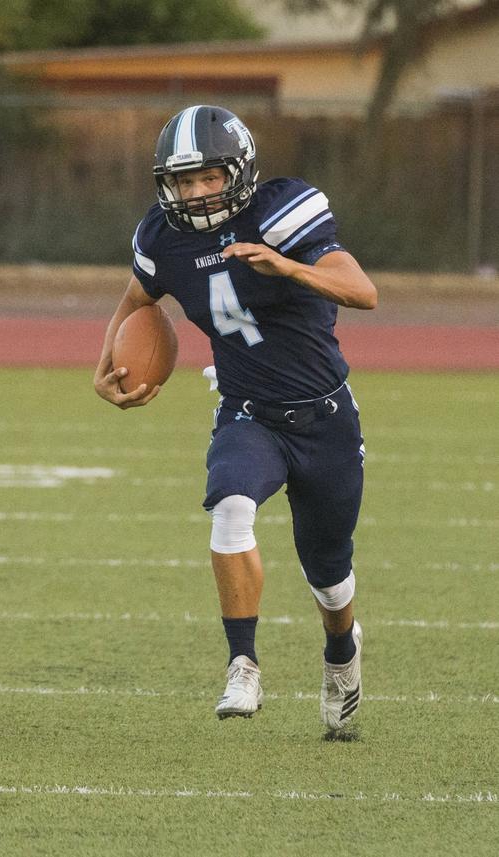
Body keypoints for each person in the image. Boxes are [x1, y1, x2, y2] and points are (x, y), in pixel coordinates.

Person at [93, 105, 376, 732]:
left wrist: (289, 267)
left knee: (329, 575)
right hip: (248, 411)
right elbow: (135, 299)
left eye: (208, 179)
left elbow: (362, 291)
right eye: (182, 182)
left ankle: (341, 649)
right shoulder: (162, 238)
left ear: (239, 172)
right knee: (230, 506)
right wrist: (103, 365)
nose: (194, 194)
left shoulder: (283, 211)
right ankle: (243, 662)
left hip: (326, 415)